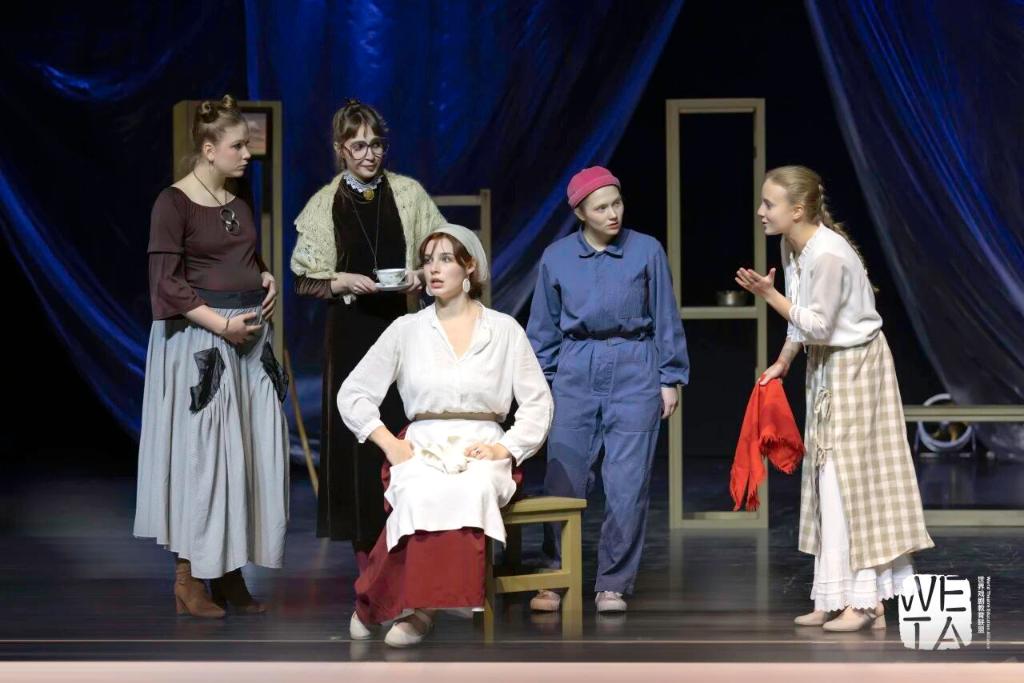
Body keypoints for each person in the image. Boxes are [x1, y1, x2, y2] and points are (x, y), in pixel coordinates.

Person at [735, 165, 934, 631]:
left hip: (856, 364)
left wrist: (769, 295)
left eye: (769, 204)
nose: (761, 211)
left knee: (849, 480)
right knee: (826, 479)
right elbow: (803, 318)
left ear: (797, 210)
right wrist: (785, 360)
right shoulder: (793, 245)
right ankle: (835, 594)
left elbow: (819, 324)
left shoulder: (827, 253)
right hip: (826, 364)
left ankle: (864, 603)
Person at [339, 224, 553, 647]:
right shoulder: (407, 330)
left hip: (482, 442)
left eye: (445, 259)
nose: (433, 269)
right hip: (422, 441)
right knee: (420, 491)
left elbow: (538, 403)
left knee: (470, 488)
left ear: (469, 267)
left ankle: (417, 609)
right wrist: (390, 443)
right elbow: (354, 393)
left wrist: (505, 448)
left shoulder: (504, 329)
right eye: (427, 260)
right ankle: (399, 603)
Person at [134, 95, 289, 617]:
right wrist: (221, 325)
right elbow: (166, 284)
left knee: (243, 457)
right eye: (238, 146)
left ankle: (228, 574)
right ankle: (187, 576)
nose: (247, 155)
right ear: (208, 148)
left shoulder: (237, 202)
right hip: (205, 343)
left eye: (247, 146)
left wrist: (264, 275)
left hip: (248, 340)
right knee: (202, 458)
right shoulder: (173, 203)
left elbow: (241, 257)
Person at [526, 166, 689, 613]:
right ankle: (554, 575)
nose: (613, 213)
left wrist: (670, 377)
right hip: (575, 368)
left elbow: (665, 315)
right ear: (580, 213)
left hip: (635, 366)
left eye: (617, 203)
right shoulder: (557, 257)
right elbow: (543, 328)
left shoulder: (646, 250)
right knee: (563, 477)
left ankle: (612, 583)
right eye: (601, 208)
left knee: (627, 482)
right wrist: (542, 386)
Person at [291, 99, 445, 568]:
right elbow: (304, 278)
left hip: (401, 327)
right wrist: (340, 281)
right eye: (358, 145)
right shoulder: (326, 203)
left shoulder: (408, 194)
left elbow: (444, 248)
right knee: (359, 436)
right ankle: (367, 554)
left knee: (404, 427)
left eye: (376, 144)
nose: (369, 154)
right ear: (341, 148)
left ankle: (410, 544)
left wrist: (422, 273)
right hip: (353, 334)